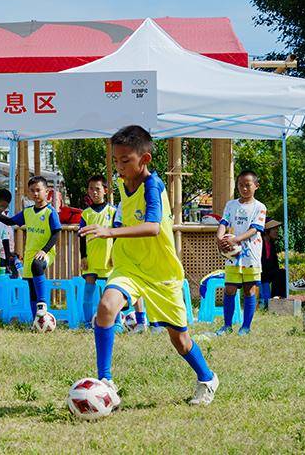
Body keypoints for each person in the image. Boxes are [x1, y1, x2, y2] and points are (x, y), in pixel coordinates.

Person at [80, 125, 218, 406]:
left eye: (125, 161)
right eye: (116, 161)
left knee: (180, 341)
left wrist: (110, 232)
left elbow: (153, 227)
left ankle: (207, 377)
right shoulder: (122, 184)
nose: (119, 167)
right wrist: (115, 235)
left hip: (161, 272)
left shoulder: (153, 186)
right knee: (106, 308)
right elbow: (123, 215)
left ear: (145, 159)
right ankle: (105, 381)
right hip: (129, 265)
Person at [0, 176, 61, 317]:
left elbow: (56, 233)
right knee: (31, 287)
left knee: (37, 265)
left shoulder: (50, 212)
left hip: (46, 252)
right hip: (30, 253)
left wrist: (44, 250)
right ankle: (36, 320)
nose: (35, 194)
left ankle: (42, 304)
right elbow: (10, 221)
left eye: (38, 190)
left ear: (46, 192)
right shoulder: (28, 212)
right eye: (32, 191)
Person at [215, 171, 267, 336]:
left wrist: (236, 239)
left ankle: (246, 327)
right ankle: (227, 326)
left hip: (250, 254)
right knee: (229, 288)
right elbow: (224, 222)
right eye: (241, 185)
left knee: (248, 290)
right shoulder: (231, 205)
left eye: (248, 185)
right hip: (233, 255)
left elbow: (254, 229)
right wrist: (219, 237)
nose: (244, 188)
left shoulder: (260, 207)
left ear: (256, 186)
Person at [79, 175, 123, 328]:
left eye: (97, 189)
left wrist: (115, 255)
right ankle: (87, 322)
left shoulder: (113, 211)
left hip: (109, 258)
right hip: (91, 259)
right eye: (91, 189)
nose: (94, 192)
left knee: (111, 292)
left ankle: (117, 322)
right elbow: (81, 236)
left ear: (105, 190)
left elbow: (117, 235)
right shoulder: (86, 214)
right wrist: (83, 256)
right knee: (88, 292)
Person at [260, 219, 286, 302]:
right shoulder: (259, 242)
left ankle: (278, 297)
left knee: (281, 272)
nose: (277, 231)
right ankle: (268, 299)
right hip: (260, 272)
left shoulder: (272, 243)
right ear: (267, 231)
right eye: (274, 229)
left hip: (268, 272)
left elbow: (275, 263)